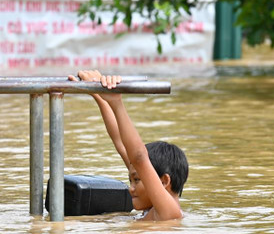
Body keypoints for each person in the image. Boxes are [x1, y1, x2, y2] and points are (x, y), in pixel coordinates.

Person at [68, 69, 188, 221]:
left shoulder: (169, 213)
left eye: (136, 180)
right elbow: (120, 142)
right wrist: (97, 94)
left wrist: (117, 103)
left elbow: (139, 158)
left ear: (164, 181)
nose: (130, 189)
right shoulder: (152, 208)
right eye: (131, 180)